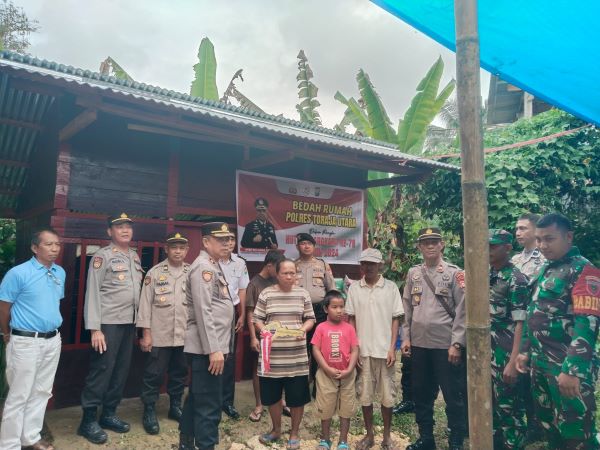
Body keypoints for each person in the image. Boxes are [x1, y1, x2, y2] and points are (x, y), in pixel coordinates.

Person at [516, 213, 600, 450]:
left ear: (569, 236)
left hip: (566, 369)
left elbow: (587, 324)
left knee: (577, 433)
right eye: (540, 240)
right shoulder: (547, 269)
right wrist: (524, 351)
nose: (543, 246)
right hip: (541, 365)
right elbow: (534, 312)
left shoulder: (585, 271)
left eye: (549, 239)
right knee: (549, 426)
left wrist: (573, 371)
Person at [78, 213, 144, 445]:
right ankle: (87, 420)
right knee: (102, 369)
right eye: (119, 227)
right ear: (110, 232)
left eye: (128, 226)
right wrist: (95, 328)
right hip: (107, 324)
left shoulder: (134, 256)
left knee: (121, 370)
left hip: (129, 323)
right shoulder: (101, 256)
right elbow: (92, 292)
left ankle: (108, 414)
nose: (125, 230)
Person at [401, 227, 466, 450]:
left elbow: (462, 310)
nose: (430, 246)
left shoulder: (455, 273)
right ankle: (426, 438)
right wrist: (406, 338)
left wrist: (457, 343)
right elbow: (407, 307)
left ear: (442, 245)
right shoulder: (413, 274)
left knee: (452, 395)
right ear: (419, 247)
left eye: (434, 242)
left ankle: (456, 438)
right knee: (421, 393)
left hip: (445, 346)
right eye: (425, 242)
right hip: (419, 345)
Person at [0, 229, 64, 450]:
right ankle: (9, 445)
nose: (54, 248)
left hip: (53, 340)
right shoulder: (18, 273)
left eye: (57, 244)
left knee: (42, 392)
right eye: (48, 244)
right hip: (25, 341)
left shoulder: (59, 272)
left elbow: (52, 303)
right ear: (35, 248)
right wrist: (6, 334)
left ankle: (31, 438)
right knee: (19, 395)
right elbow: (4, 307)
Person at [178, 222, 235, 450]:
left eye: (228, 239)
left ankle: (186, 442)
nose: (226, 244)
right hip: (209, 350)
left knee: (198, 398)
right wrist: (214, 349)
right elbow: (204, 311)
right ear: (205, 242)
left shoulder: (213, 265)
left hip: (212, 348)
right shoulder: (204, 268)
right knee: (209, 406)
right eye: (220, 239)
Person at [253, 258, 315, 450]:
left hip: (296, 358)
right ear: (277, 274)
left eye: (293, 273)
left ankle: (294, 433)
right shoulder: (266, 294)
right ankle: (276, 429)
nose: (290, 276)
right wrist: (263, 331)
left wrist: (303, 329)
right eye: (285, 273)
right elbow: (257, 318)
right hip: (272, 358)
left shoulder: (303, 294)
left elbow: (310, 318)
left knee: (297, 397)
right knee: (272, 397)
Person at [346, 248, 404, 450]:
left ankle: (387, 436)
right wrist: (355, 348)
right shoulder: (354, 288)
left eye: (372, 263)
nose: (367, 267)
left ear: (380, 265)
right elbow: (351, 319)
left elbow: (395, 319)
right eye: (364, 263)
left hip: (384, 351)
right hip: (363, 352)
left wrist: (392, 348)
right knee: (365, 395)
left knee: (388, 396)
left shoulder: (390, 288)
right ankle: (369, 434)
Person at [136, 232, 190, 435]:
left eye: (181, 247)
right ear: (166, 249)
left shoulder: (192, 272)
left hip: (185, 336)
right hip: (159, 335)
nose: (177, 251)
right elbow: (144, 306)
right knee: (153, 375)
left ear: (187, 250)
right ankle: (149, 411)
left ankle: (175, 407)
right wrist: (146, 334)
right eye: (173, 247)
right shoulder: (154, 273)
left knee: (180, 373)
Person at [488, 230, 528, 450]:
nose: (489, 251)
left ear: (507, 248)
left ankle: (513, 443)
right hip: (485, 350)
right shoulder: (485, 273)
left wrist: (513, 361)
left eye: (493, 246)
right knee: (489, 404)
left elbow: (521, 322)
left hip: (505, 352)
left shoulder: (517, 279)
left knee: (508, 408)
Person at [511, 212, 545, 443]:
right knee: (521, 377)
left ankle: (540, 424)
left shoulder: (545, 260)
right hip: (515, 325)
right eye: (517, 228)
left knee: (537, 379)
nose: (518, 232)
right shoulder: (514, 260)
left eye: (523, 228)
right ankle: (529, 424)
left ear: (535, 231)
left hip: (539, 326)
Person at [312, 290, 359, 450]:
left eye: (341, 306)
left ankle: (343, 440)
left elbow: (354, 350)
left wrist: (350, 369)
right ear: (326, 309)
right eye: (334, 307)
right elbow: (316, 350)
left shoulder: (349, 328)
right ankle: (325, 439)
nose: (339, 310)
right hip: (326, 375)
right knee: (325, 408)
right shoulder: (321, 328)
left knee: (346, 408)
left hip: (347, 375)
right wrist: (326, 368)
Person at [245, 249, 286, 422]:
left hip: (279, 333)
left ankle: (281, 401)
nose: (279, 272)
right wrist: (253, 337)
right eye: (277, 268)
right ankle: (259, 404)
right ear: (269, 265)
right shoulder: (254, 283)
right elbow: (250, 312)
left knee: (280, 367)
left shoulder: (277, 281)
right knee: (259, 369)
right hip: (261, 333)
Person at [294, 232, 335, 394]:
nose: (306, 246)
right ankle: (302, 385)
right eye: (302, 243)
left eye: (309, 244)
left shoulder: (322, 265)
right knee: (301, 348)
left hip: (319, 311)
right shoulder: (292, 265)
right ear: (297, 246)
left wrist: (330, 310)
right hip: (299, 312)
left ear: (314, 247)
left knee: (318, 348)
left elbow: (331, 290)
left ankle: (317, 385)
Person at [220, 231, 249, 419]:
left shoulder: (239, 263)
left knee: (228, 358)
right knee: (210, 356)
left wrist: (242, 314)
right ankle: (209, 400)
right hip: (211, 313)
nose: (229, 242)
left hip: (231, 312)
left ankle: (227, 402)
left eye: (231, 239)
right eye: (224, 239)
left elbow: (242, 289)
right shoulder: (208, 261)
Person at [511, 213, 545, 279]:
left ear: (536, 230)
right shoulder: (514, 259)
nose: (517, 233)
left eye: (522, 229)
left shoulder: (545, 258)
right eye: (517, 229)